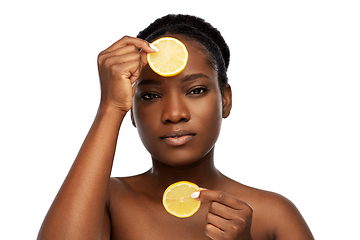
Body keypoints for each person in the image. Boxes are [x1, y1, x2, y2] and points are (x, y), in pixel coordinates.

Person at [37, 14, 314, 240]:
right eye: (150, 96)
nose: (174, 114)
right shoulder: (105, 201)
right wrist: (110, 107)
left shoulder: (274, 215)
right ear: (132, 110)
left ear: (225, 100)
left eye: (195, 90)